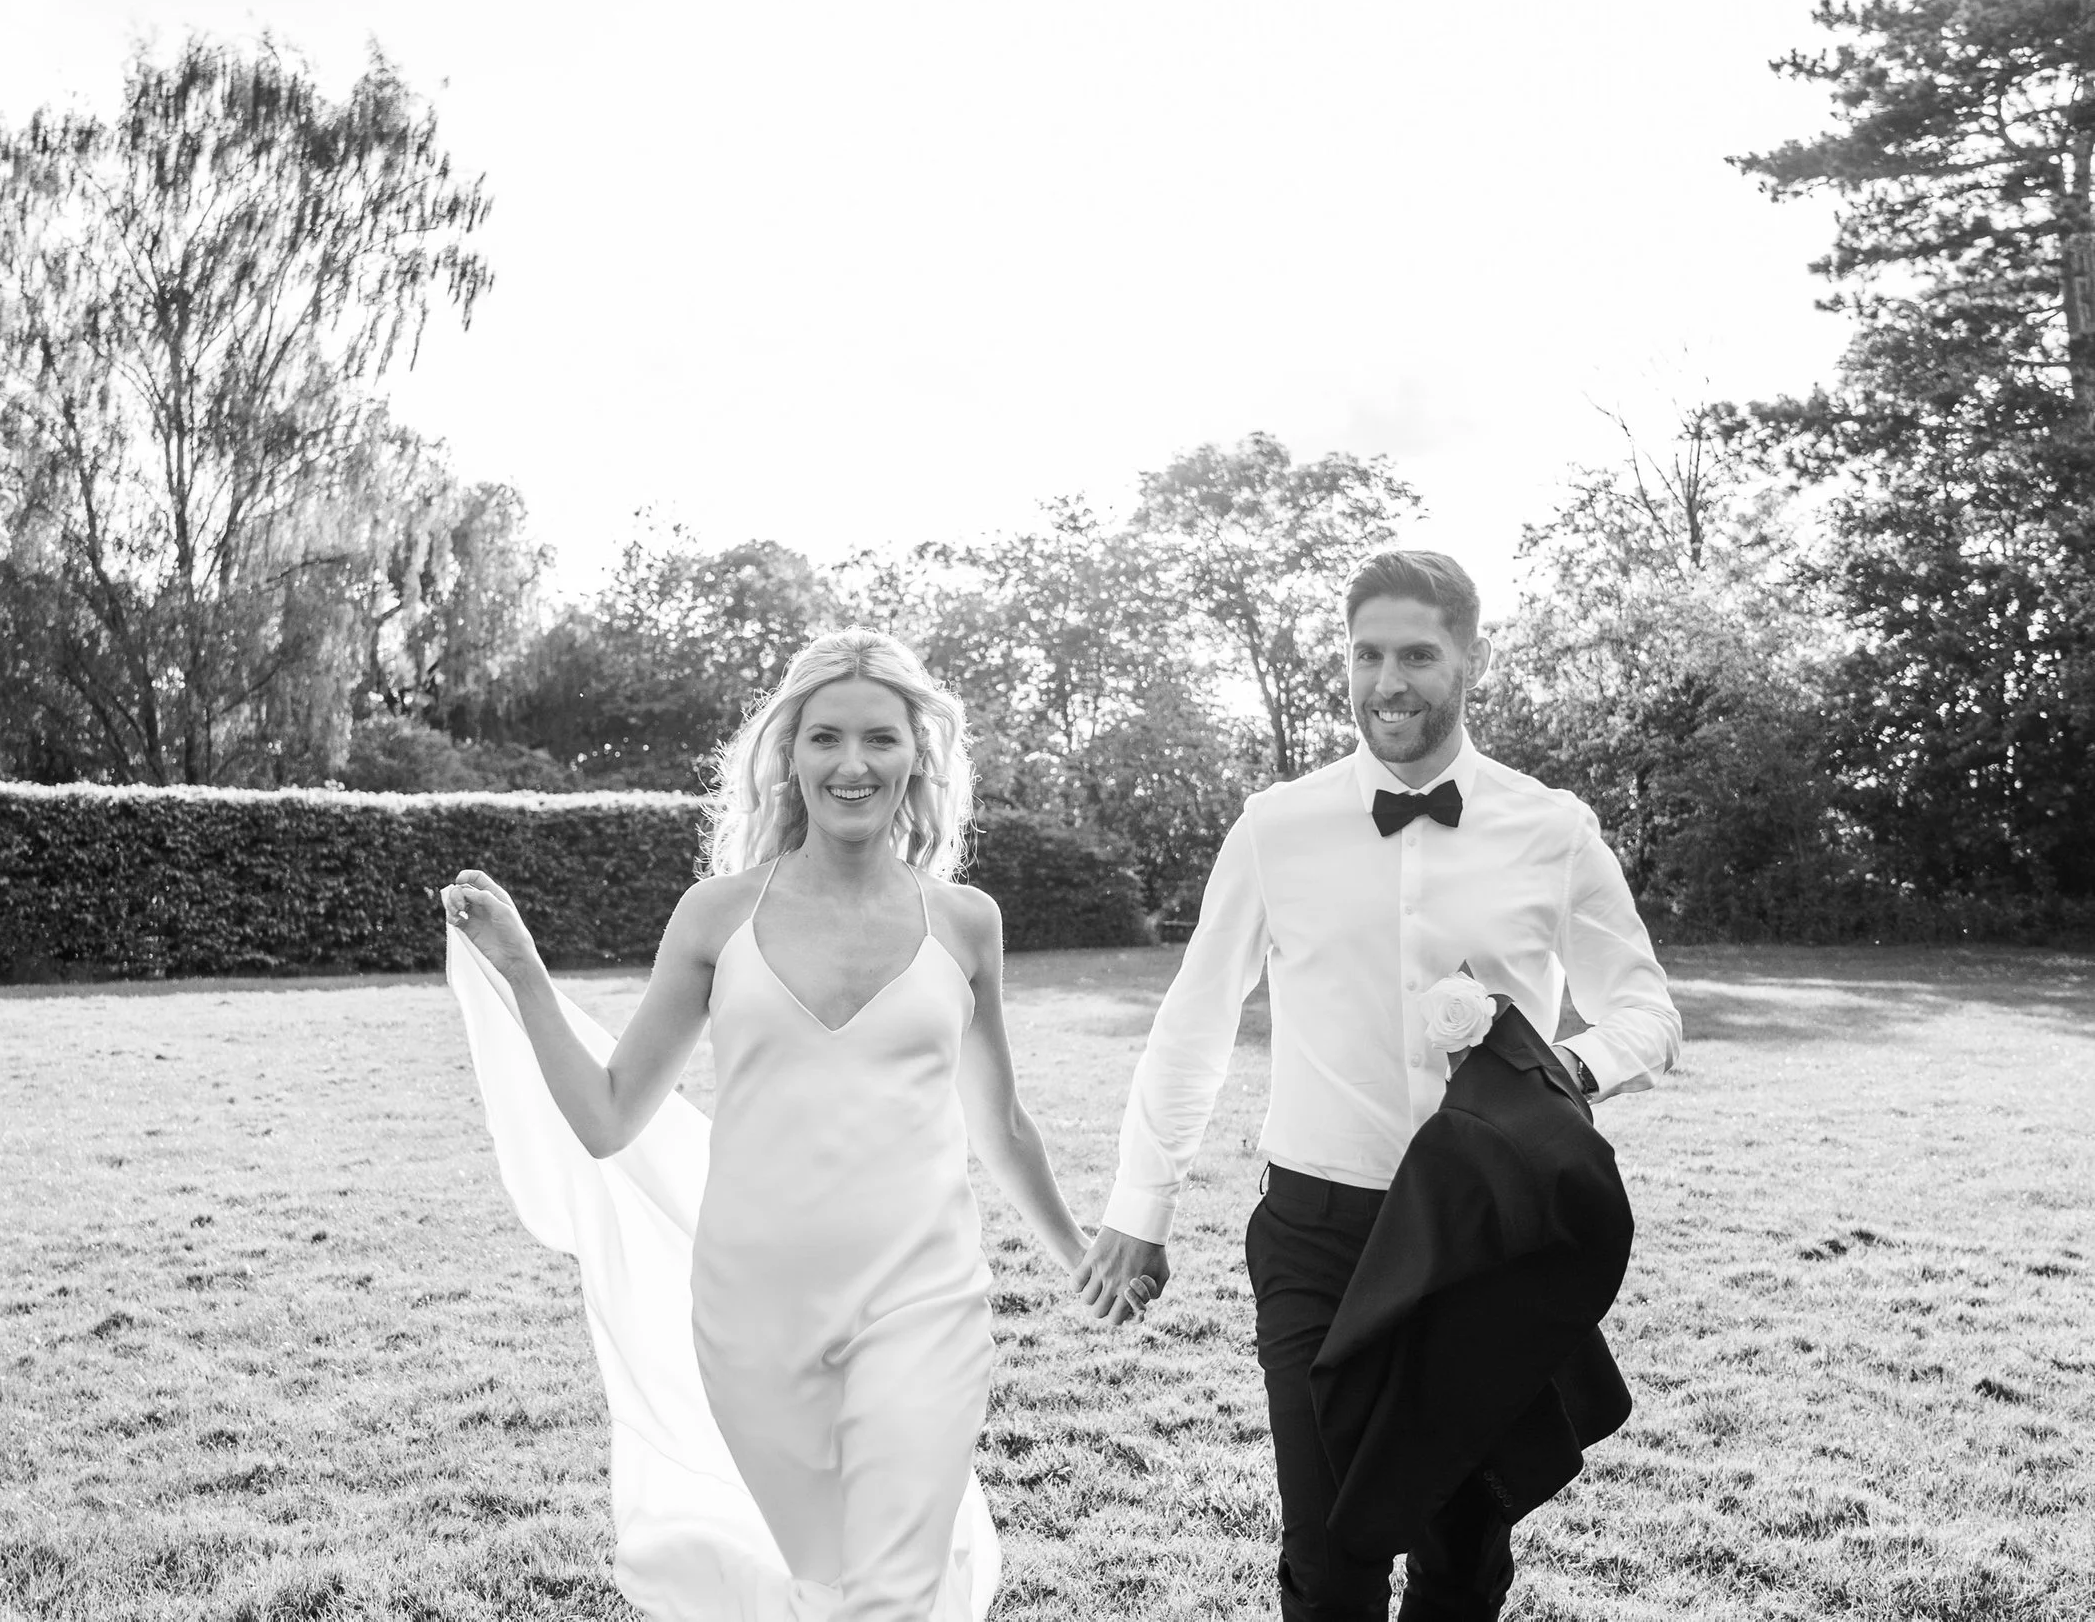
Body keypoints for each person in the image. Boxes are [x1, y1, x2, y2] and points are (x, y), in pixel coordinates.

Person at [444, 627, 1105, 1622]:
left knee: (890, 1590)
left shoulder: (967, 922)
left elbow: (1000, 1122)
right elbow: (609, 1117)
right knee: (830, 1588)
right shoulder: (715, 917)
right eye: (825, 736)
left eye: (880, 737)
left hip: (924, 1300)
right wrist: (524, 971)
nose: (852, 763)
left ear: (917, 754)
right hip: (753, 1316)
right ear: (788, 755)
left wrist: (1081, 1254)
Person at [1073, 550, 1682, 1622]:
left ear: (1469, 660)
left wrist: (1548, 1071)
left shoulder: (1552, 828)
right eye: (1366, 655)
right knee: (1329, 1557)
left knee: (1462, 1558)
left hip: (1485, 1240)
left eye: (1416, 655)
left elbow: (1647, 1012)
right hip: (1317, 1234)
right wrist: (1140, 1208)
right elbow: (1195, 1018)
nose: (1387, 682)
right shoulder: (1275, 826)